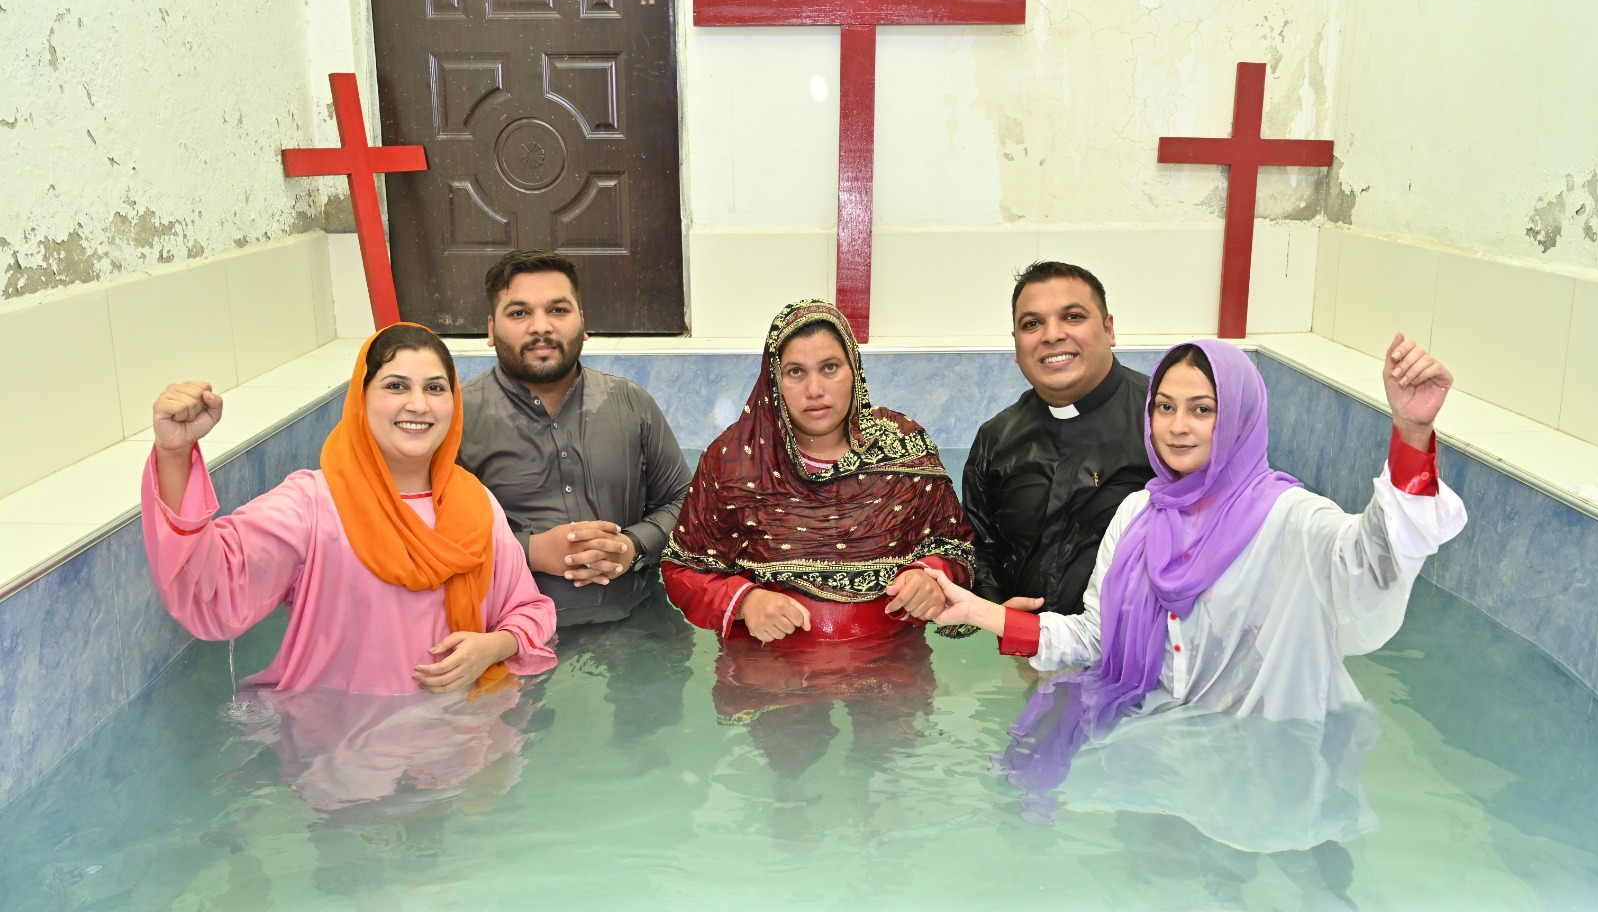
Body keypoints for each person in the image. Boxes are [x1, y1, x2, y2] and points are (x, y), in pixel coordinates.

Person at [924, 334, 1468, 790]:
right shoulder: (1138, 515)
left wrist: (1411, 434)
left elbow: (1373, 562)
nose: (1177, 426)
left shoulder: (1287, 517)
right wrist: (977, 611)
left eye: (1202, 409)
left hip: (1268, 759)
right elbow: (1095, 638)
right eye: (1165, 407)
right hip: (1164, 749)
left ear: (1239, 419)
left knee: (1293, 880)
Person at [143, 323, 558, 695]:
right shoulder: (313, 506)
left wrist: (492, 647)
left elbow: (529, 610)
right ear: (362, 399)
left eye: (435, 388)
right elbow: (212, 585)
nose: (419, 405)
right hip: (344, 742)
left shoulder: (475, 504)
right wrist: (174, 454)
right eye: (396, 386)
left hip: (464, 735)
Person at [661, 299, 976, 643]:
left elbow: (959, 548)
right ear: (774, 380)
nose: (815, 390)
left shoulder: (903, 447)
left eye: (829, 367)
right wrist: (744, 601)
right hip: (765, 665)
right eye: (796, 372)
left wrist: (931, 576)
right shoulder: (733, 460)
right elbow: (681, 566)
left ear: (854, 369)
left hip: (892, 660)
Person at [458, 249, 692, 627]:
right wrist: (529, 552)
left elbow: (687, 503)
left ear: (583, 322)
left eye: (558, 310)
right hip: (511, 636)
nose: (541, 327)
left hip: (638, 623)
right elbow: (426, 534)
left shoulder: (631, 403)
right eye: (519, 313)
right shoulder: (457, 420)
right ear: (491, 329)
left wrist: (632, 546)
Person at [962, 261, 1153, 619]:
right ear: (1016, 343)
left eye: (1073, 317)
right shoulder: (995, 438)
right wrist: (996, 608)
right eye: (1031, 324)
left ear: (1109, 329)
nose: (1051, 335)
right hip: (1023, 646)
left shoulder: (1161, 424)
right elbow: (980, 546)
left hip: (1136, 644)